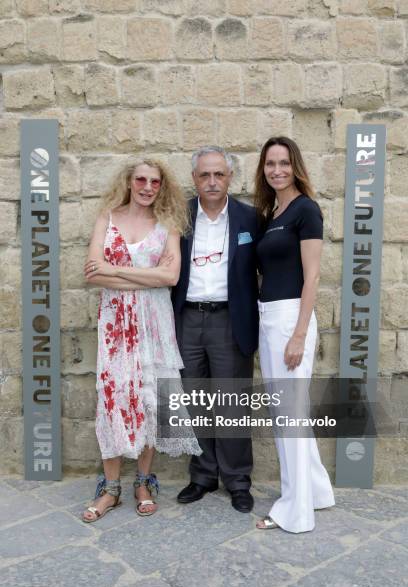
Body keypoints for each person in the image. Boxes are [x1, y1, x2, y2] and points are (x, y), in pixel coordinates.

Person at [82, 158, 201, 522]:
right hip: (116, 323)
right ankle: (112, 488)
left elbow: (170, 276)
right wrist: (142, 275)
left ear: (161, 186)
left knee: (151, 400)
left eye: (154, 181)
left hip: (154, 322)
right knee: (114, 397)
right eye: (141, 180)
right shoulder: (108, 217)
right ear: (129, 182)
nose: (148, 187)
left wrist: (114, 269)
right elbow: (92, 274)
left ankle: (144, 483)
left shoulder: (168, 225)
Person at [172, 146, 261, 513]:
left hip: (230, 320)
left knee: (231, 402)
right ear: (194, 179)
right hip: (187, 318)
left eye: (219, 174)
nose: (212, 181)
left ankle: (238, 480)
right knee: (195, 402)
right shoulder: (177, 216)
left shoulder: (250, 218)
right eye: (204, 175)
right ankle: (203, 475)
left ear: (229, 178)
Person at [254, 136, 335, 533]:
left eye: (284, 163)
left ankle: (294, 511)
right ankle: (317, 492)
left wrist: (300, 334)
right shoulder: (274, 211)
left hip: (290, 320)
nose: (277, 170)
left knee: (289, 417)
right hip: (268, 318)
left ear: (295, 165)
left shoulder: (306, 210)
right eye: (270, 164)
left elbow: (313, 275)